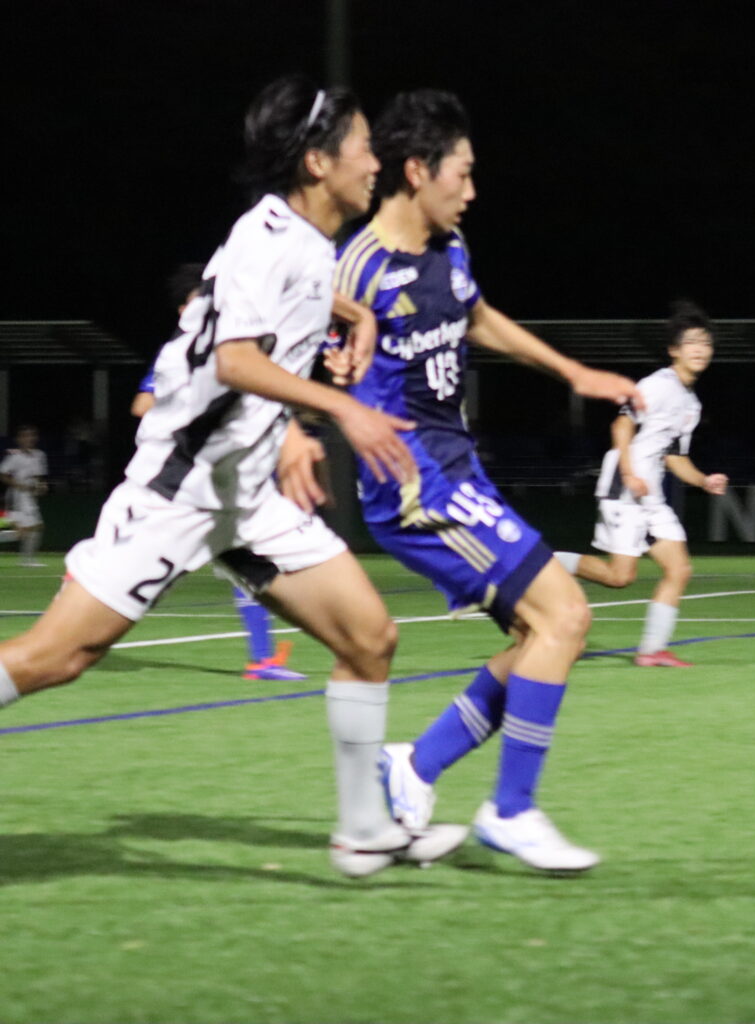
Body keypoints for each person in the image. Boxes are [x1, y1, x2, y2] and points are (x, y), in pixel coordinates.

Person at [0, 75, 467, 878]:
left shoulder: (308, 242)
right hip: (180, 488)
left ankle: (364, 833)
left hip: (245, 497)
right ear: (318, 162)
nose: (375, 163)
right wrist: (340, 410)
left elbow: (289, 305)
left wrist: (355, 317)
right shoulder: (268, 239)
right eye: (363, 147)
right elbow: (235, 360)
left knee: (370, 637)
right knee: (56, 658)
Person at [324, 89, 641, 872]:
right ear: (416, 170)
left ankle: (415, 766)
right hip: (412, 486)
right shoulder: (356, 270)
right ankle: (511, 810)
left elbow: (476, 317)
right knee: (565, 615)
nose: (471, 191)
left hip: (459, 470)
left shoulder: (450, 247)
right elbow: (296, 353)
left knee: (542, 636)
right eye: (460, 174)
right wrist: (304, 428)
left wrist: (573, 373)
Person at [133, 263, 305, 682]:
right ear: (184, 308)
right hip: (182, 480)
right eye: (200, 299)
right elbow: (142, 405)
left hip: (218, 477)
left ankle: (261, 658)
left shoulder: (226, 347)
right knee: (148, 565)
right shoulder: (180, 352)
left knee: (245, 559)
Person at [554, 301, 728, 666]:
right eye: (692, 342)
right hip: (625, 485)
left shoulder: (691, 404)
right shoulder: (658, 385)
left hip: (651, 495)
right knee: (619, 577)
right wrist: (630, 472)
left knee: (679, 569)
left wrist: (704, 480)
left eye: (706, 342)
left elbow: (674, 457)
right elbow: (621, 423)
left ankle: (651, 651)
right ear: (674, 350)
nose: (700, 349)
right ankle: (543, 562)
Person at [0, 425, 48, 567]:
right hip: (17, 496)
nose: (29, 438)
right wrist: (19, 485)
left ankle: (27, 560)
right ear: (19, 439)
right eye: (25, 436)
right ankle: (28, 560)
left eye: (32, 435)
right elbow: (3, 475)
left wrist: (42, 486)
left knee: (25, 531)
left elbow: (39, 478)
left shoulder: (39, 455)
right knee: (33, 527)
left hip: (30, 496)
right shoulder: (14, 457)